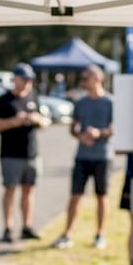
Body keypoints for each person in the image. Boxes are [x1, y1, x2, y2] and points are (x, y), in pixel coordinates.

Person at [53, 64, 114, 249]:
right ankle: (67, 234)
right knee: (75, 196)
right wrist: (81, 136)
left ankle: (100, 235)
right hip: (82, 155)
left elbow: (115, 128)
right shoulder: (81, 103)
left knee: (102, 196)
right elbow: (73, 127)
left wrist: (99, 133)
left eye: (85, 78)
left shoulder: (110, 102)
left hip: (103, 156)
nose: (83, 82)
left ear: (97, 79)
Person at [0, 62, 47, 242]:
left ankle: (27, 226)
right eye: (26, 79)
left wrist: (37, 120)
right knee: (10, 190)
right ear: (16, 79)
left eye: (31, 79)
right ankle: (8, 227)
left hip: (31, 153)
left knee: (29, 191)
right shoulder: (4, 100)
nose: (29, 83)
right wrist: (14, 121)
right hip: (10, 154)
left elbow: (44, 122)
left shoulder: (33, 97)